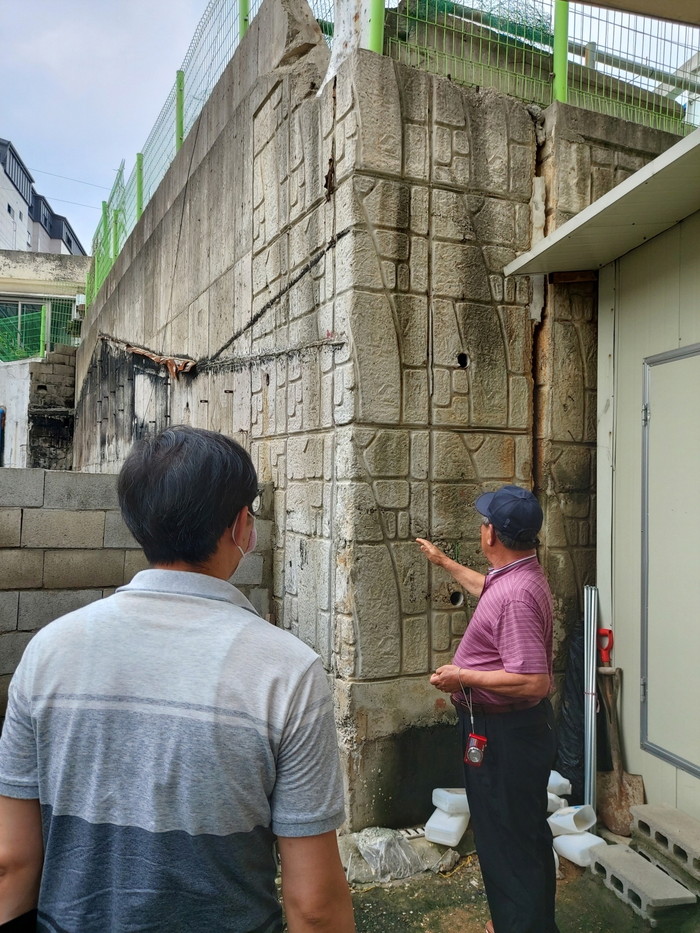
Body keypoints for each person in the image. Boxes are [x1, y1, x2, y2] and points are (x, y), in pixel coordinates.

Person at [0, 426, 355, 933]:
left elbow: (11, 862)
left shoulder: (46, 651)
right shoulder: (288, 671)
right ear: (241, 525)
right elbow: (314, 907)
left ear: (138, 522)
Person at [417, 484, 558, 933]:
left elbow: (534, 680)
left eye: (484, 522)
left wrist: (463, 676)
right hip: (509, 731)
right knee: (517, 833)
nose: (481, 528)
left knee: (507, 840)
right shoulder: (517, 574)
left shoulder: (515, 596)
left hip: (505, 736)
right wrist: (444, 562)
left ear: (492, 534)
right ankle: (523, 922)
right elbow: (487, 589)